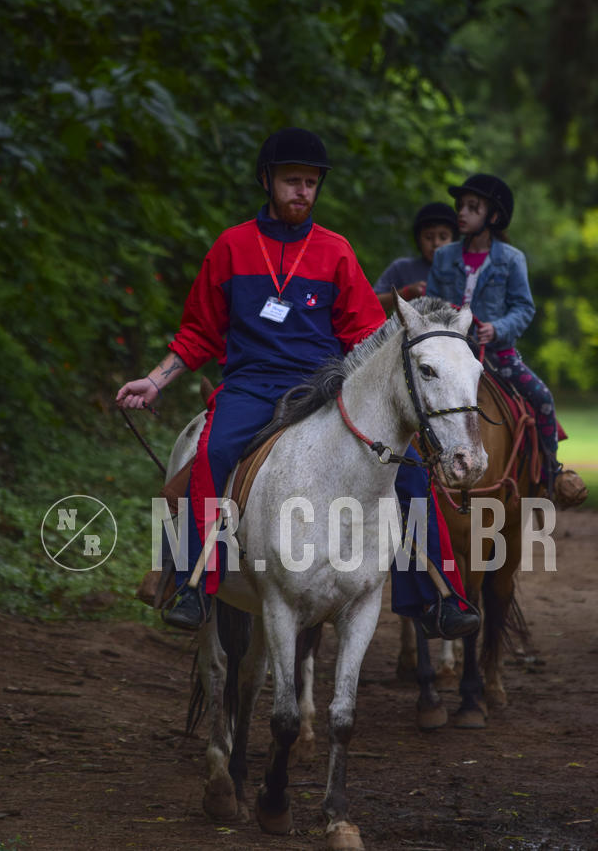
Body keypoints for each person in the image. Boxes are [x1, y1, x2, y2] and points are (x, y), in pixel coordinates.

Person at [116, 127, 480, 636]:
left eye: (310, 182)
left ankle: (440, 596)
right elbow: (200, 331)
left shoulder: (335, 251)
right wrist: (156, 381)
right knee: (215, 452)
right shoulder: (231, 247)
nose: (302, 191)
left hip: (324, 387)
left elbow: (363, 335)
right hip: (250, 385)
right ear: (267, 181)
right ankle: (194, 584)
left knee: (412, 466)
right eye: (292, 181)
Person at [425, 173, 587, 505]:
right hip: (450, 355)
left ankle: (551, 474)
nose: (462, 212)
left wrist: (496, 329)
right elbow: (431, 303)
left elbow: (524, 307)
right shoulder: (444, 257)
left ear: (493, 217)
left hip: (498, 357)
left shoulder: (512, 259)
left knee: (542, 398)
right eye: (461, 206)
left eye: (473, 207)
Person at [374, 202, 459, 313]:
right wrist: (405, 293)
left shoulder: (464, 270)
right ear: (418, 240)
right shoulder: (402, 268)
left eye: (443, 237)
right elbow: (371, 304)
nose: (436, 243)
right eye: (429, 237)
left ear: (454, 240)